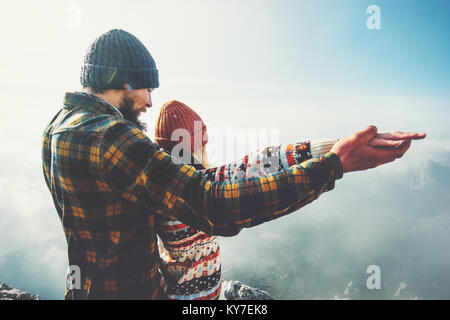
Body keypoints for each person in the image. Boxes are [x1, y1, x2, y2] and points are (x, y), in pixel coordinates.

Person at [41, 29, 426, 300]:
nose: (150, 101)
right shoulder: (112, 137)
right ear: (122, 81)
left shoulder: (58, 127)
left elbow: (220, 174)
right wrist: (333, 167)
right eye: (147, 88)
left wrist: (325, 148)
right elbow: (214, 204)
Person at [153, 100, 344, 300]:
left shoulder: (161, 187)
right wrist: (326, 151)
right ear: (192, 144)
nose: (206, 144)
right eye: (201, 140)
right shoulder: (196, 188)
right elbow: (255, 166)